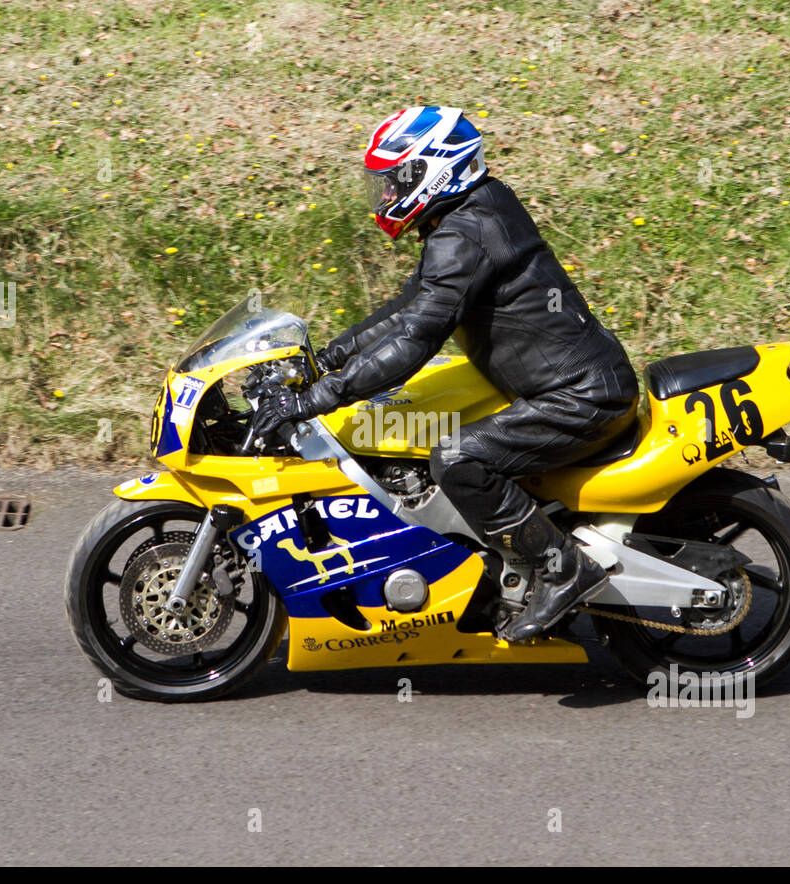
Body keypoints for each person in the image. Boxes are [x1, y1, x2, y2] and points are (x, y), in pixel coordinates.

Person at [253, 106, 639, 642]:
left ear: (435, 169)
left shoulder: (467, 230)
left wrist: (318, 397)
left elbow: (416, 338)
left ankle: (564, 568)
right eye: (382, 183)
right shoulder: (467, 215)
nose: (385, 195)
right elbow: (411, 308)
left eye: (395, 181)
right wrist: (326, 358)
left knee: (458, 457)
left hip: (580, 398)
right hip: (562, 385)